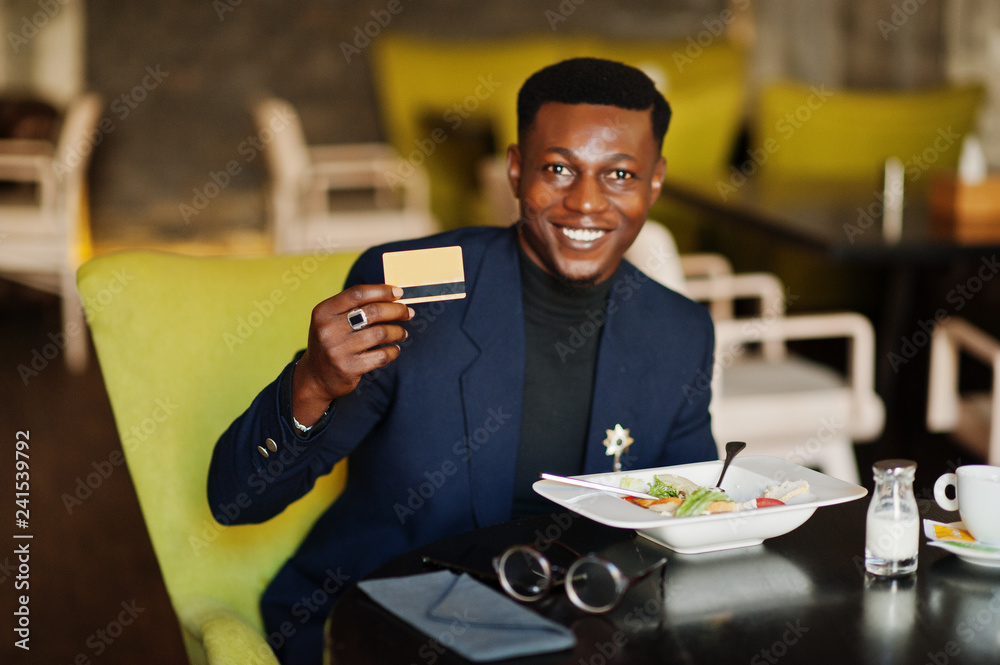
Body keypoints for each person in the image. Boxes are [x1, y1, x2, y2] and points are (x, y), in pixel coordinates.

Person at [208, 56, 717, 664]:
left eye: (619, 175)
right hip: (389, 622)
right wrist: (314, 382)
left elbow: (688, 524)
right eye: (558, 168)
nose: (586, 202)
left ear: (654, 182)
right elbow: (238, 501)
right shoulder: (414, 293)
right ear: (514, 170)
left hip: (577, 634)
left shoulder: (679, 332)